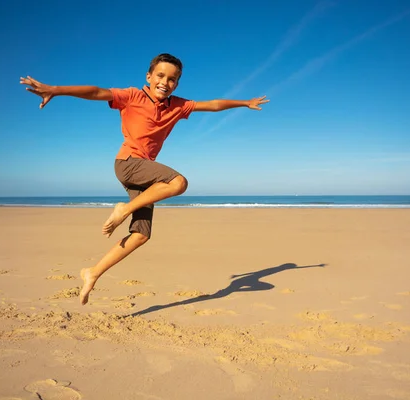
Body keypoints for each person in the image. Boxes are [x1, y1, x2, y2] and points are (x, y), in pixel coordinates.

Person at [20, 53, 269, 305]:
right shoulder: (132, 96)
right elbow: (96, 92)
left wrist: (244, 103)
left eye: (172, 79)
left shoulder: (178, 106)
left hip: (142, 174)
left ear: (177, 84)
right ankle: (123, 209)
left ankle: (92, 273)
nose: (165, 82)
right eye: (160, 75)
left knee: (141, 234)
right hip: (128, 163)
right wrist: (55, 89)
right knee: (178, 182)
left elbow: (213, 104)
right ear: (149, 77)